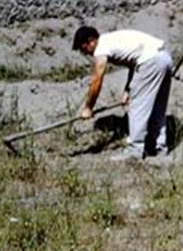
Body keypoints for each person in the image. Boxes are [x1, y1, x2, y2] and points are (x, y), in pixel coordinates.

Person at [72, 26, 174, 160]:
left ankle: (136, 150)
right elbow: (134, 63)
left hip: (150, 62)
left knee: (138, 107)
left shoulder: (101, 47)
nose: (87, 54)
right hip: (164, 58)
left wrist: (88, 108)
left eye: (84, 49)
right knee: (157, 107)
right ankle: (160, 147)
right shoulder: (113, 40)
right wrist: (128, 90)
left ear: (91, 41)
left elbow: (97, 79)